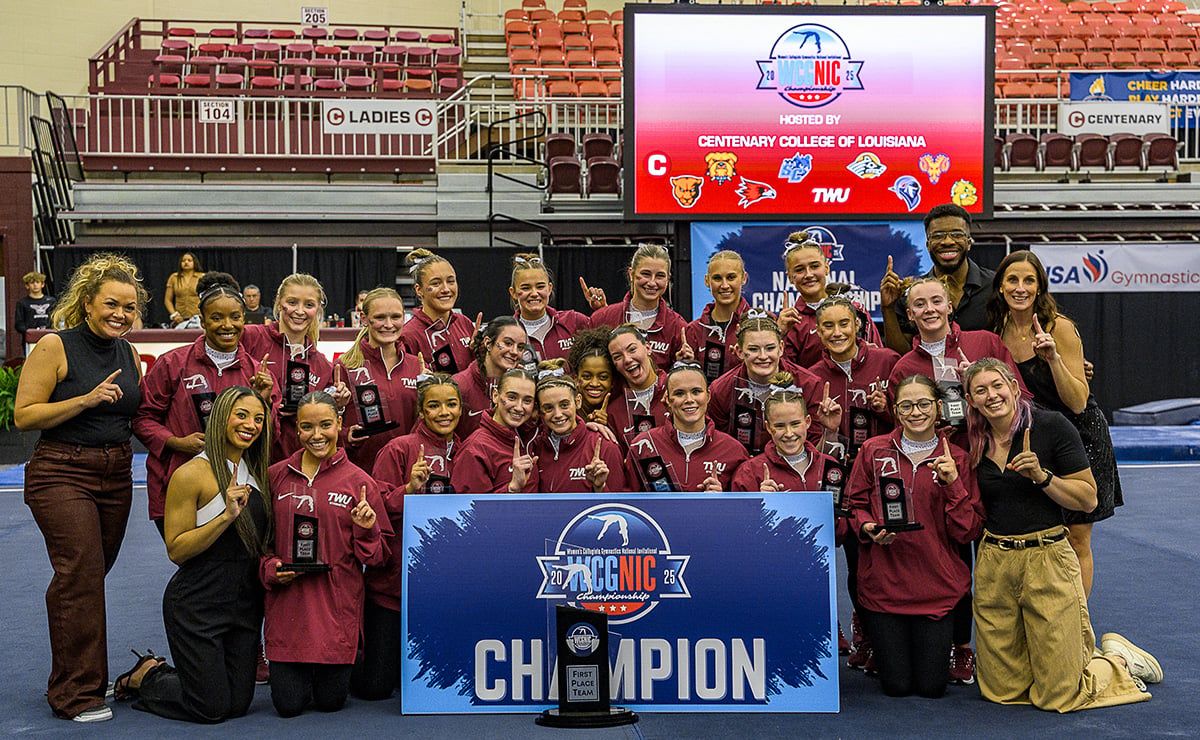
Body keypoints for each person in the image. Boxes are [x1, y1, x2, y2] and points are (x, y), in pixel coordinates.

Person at [962, 358, 1161, 711]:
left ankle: (1119, 660)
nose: (991, 395)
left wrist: (1043, 477)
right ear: (971, 400)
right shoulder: (971, 439)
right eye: (980, 390)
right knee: (1001, 692)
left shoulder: (1051, 426)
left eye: (997, 385)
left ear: (1013, 385)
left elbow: (1088, 499)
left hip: (1048, 558)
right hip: (995, 562)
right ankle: (1055, 661)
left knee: (1060, 695)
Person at [15, 254, 146, 723]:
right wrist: (85, 399)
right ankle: (74, 693)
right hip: (61, 471)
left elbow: (138, 416)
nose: (121, 314)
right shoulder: (56, 345)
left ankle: (85, 674)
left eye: (130, 307)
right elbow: (24, 415)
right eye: (112, 304)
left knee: (89, 575)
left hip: (116, 474)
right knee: (80, 575)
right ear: (87, 302)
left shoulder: (128, 353)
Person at [886, 275, 1026, 684]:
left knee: (998, 560)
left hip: (989, 466)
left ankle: (1011, 641)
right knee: (952, 558)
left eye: (936, 301)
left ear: (949, 304)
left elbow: (1019, 396)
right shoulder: (904, 367)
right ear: (909, 315)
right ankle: (960, 646)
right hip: (939, 475)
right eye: (919, 305)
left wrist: (976, 389)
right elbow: (895, 422)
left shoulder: (983, 343)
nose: (929, 309)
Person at [127, 387, 273, 723]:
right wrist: (224, 517)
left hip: (244, 607)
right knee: (211, 708)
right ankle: (148, 675)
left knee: (239, 703)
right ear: (221, 416)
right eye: (241, 414)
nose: (250, 424)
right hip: (197, 605)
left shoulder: (259, 473)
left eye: (258, 418)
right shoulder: (191, 474)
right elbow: (177, 550)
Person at [986, 250, 1119, 598]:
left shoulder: (1059, 327)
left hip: (1080, 435)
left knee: (1077, 538)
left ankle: (1078, 625)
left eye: (1029, 280)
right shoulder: (993, 332)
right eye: (1013, 279)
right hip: (1034, 439)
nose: (1020, 287)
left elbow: (1077, 400)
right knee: (1043, 535)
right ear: (1000, 286)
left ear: (1040, 287)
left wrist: (1053, 358)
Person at [843, 374, 984, 698]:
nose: (915, 412)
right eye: (906, 405)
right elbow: (854, 506)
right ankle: (880, 643)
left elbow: (968, 530)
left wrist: (953, 485)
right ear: (895, 410)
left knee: (932, 687)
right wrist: (867, 527)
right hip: (885, 585)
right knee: (896, 687)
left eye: (923, 404)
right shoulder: (873, 450)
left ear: (938, 408)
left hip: (936, 586)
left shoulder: (958, 458)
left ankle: (937, 648)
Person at [262, 391, 387, 718]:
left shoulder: (360, 483)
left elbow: (376, 558)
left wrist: (367, 529)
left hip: (335, 610)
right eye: (307, 427)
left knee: (331, 702)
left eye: (325, 425)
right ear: (297, 429)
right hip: (289, 608)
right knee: (288, 706)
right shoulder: (276, 476)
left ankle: (349, 660)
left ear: (340, 425)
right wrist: (270, 568)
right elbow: (259, 543)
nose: (316, 435)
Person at [135, 273, 275, 534]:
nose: (227, 325)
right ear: (202, 321)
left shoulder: (257, 374)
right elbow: (142, 418)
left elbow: (269, 438)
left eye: (235, 317)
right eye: (216, 317)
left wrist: (264, 402)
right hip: (178, 482)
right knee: (189, 561)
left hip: (238, 487)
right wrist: (176, 442)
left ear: (244, 319)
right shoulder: (172, 364)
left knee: (229, 566)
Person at [805, 296, 900, 666]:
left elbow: (915, 419)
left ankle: (879, 636)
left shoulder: (887, 362)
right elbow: (806, 440)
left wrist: (886, 409)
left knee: (881, 563)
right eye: (827, 326)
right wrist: (828, 433)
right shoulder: (812, 376)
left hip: (882, 480)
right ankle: (860, 631)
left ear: (858, 324)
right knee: (853, 561)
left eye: (843, 324)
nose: (836, 332)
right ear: (817, 331)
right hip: (835, 484)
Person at [358, 373, 463, 701]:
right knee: (377, 687)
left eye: (451, 404)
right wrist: (409, 490)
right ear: (421, 411)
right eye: (434, 405)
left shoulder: (466, 450)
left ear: (461, 409)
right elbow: (377, 509)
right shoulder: (398, 449)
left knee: (439, 683)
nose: (444, 412)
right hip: (393, 587)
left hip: (444, 587)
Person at [241, 273, 347, 462]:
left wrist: (337, 405)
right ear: (279, 303)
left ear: (318, 309)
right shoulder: (250, 338)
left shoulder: (322, 365)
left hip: (293, 466)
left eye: (309, 305)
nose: (299, 311)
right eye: (292, 302)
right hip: (246, 457)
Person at [708, 316, 834, 456]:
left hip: (793, 468)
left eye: (770, 348)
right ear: (740, 352)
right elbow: (719, 446)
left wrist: (830, 431)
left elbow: (815, 449)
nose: (763, 356)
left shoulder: (809, 384)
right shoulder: (720, 390)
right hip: (741, 469)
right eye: (754, 349)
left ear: (780, 348)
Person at [880, 203, 995, 353]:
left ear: (968, 243)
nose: (948, 241)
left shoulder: (994, 286)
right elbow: (901, 355)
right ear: (928, 244)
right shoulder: (912, 294)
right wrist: (887, 308)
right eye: (938, 236)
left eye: (957, 234)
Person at [335, 287, 421, 472]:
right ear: (364, 319)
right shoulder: (345, 366)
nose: (389, 324)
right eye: (380, 317)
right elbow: (327, 424)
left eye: (396, 317)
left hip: (406, 473)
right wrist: (345, 434)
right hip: (360, 473)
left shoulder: (418, 366)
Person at [626, 362, 749, 492]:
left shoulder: (734, 451)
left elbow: (745, 507)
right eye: (679, 393)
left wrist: (722, 500)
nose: (689, 399)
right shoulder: (643, 445)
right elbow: (627, 503)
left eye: (696, 392)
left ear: (708, 396)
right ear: (667, 399)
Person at [779, 232, 883, 369]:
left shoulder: (855, 310)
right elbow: (784, 375)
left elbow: (878, 358)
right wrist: (779, 333)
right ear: (790, 277)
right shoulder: (791, 322)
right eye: (800, 270)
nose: (809, 274)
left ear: (826, 268)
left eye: (815, 266)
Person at [729, 371, 841, 493]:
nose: (789, 433)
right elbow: (739, 511)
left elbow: (843, 510)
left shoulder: (829, 466)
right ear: (768, 427)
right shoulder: (749, 472)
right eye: (780, 426)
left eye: (795, 424)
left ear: (807, 421)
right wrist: (760, 502)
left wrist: (831, 430)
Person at [531, 359, 629, 492]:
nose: (558, 414)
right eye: (548, 408)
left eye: (564, 405)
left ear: (577, 401)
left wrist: (600, 487)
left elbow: (619, 508)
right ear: (540, 412)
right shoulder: (535, 447)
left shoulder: (604, 446)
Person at [586, 243, 687, 371]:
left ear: (668, 279)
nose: (652, 282)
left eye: (660, 276)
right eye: (645, 274)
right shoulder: (602, 318)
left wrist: (682, 364)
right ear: (631, 274)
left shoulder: (677, 326)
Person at [451, 368, 540, 493]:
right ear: (495, 396)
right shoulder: (475, 449)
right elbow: (471, 509)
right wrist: (511, 488)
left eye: (527, 401)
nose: (519, 407)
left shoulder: (530, 438)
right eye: (512, 397)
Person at [684, 250, 758, 383]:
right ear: (707, 281)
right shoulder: (694, 330)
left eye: (731, 277)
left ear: (744, 278)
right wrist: (683, 366)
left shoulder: (758, 323)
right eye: (717, 278)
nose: (724, 285)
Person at [399, 249, 477, 374]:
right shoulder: (408, 335)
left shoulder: (464, 323)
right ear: (419, 290)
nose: (446, 289)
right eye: (436, 283)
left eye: (451, 281)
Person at [452, 316, 529, 440]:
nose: (515, 351)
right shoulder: (459, 386)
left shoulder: (524, 385)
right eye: (508, 343)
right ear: (488, 343)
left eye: (520, 347)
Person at [509, 253, 590, 364]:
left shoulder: (573, 321)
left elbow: (612, 342)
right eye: (526, 288)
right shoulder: (506, 333)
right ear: (513, 292)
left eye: (540, 286)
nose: (534, 293)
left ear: (549, 288)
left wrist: (603, 311)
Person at [604, 324, 672, 450]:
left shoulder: (676, 392)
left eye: (632, 349)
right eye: (618, 357)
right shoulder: (613, 412)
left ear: (647, 348)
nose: (627, 359)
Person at [568, 327, 616, 426]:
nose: (594, 383)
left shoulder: (619, 411)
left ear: (613, 381)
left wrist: (609, 426)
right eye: (586, 376)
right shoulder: (566, 410)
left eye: (603, 377)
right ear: (575, 378)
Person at [164, 252, 205, 328]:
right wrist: (174, 315)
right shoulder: (174, 277)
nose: (186, 262)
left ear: (194, 262)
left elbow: (207, 298)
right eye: (183, 261)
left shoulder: (202, 277)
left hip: (199, 318)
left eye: (189, 260)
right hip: (180, 319)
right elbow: (167, 300)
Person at [15, 270, 55, 344]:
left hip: (50, 337)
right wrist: (29, 331)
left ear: (42, 284)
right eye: (32, 283)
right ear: (27, 286)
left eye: (37, 282)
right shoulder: (22, 303)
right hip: (30, 339)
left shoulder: (51, 301)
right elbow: (18, 323)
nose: (35, 285)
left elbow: (56, 318)